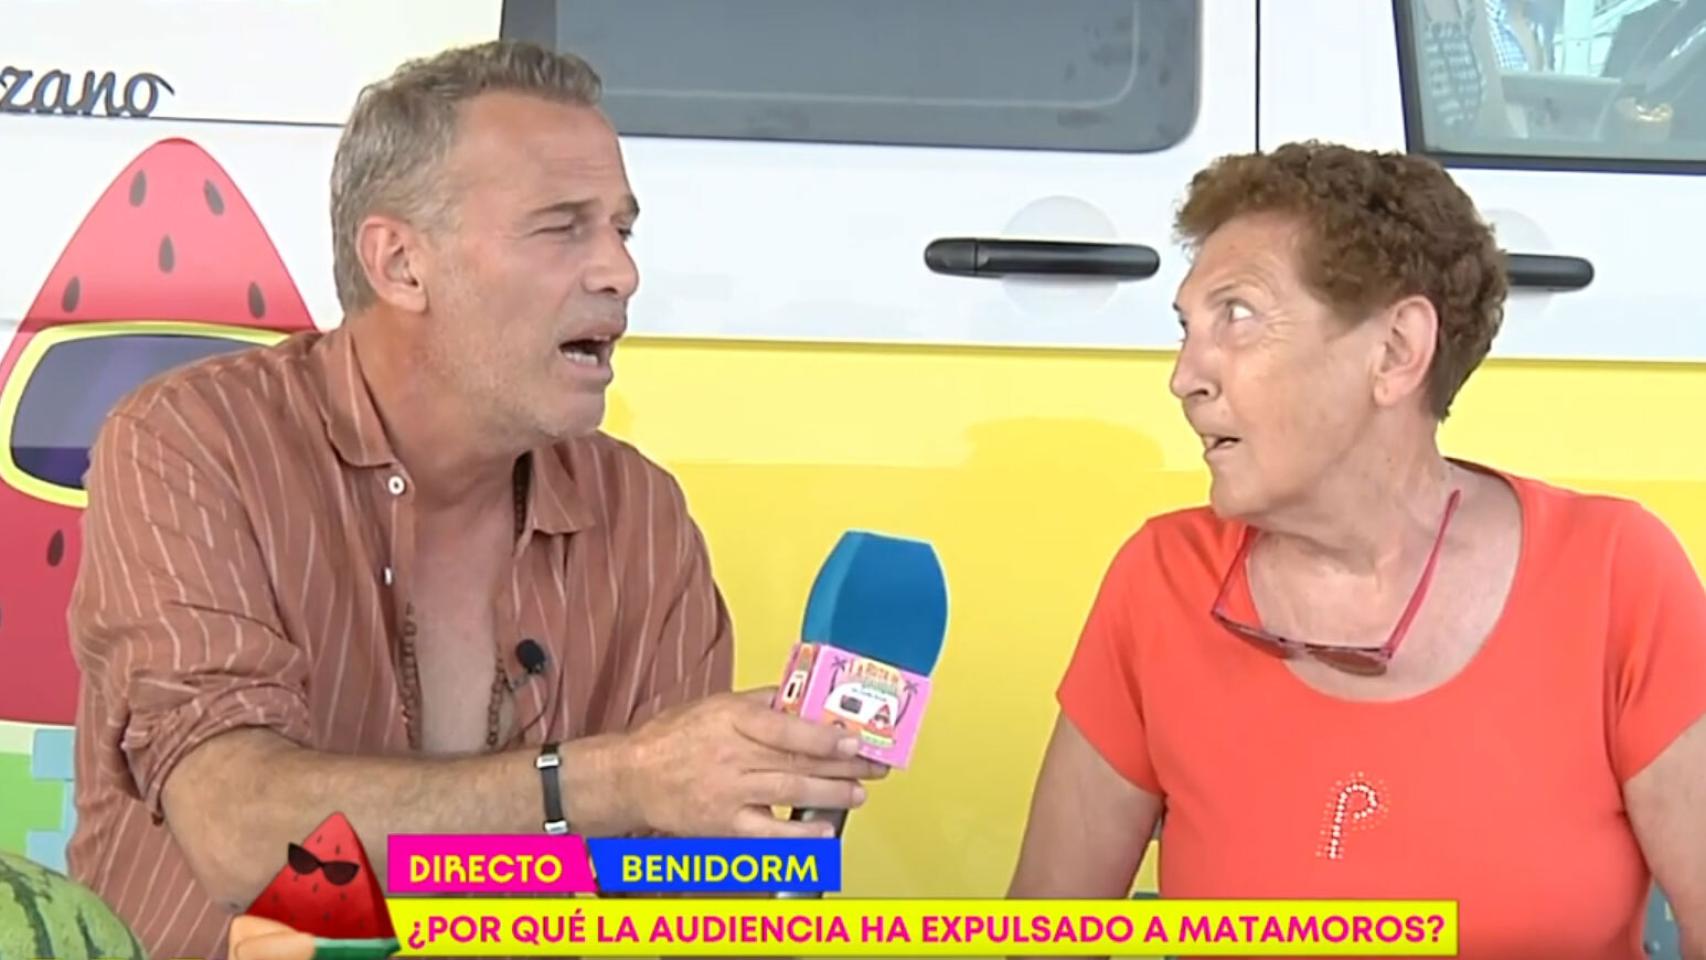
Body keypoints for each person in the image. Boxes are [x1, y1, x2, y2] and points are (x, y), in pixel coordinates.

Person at [65, 40, 884, 960]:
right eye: (562, 228)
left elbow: (670, 900)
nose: (620, 273)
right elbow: (239, 834)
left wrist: (768, 832)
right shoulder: (190, 444)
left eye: (622, 230)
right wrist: (612, 781)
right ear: (401, 265)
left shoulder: (643, 518)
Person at [1008, 142, 1706, 959]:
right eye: (1186, 328)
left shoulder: (1614, 575)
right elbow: (1043, 939)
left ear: (1396, 350)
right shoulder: (1161, 581)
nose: (1185, 376)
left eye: (1238, 315)